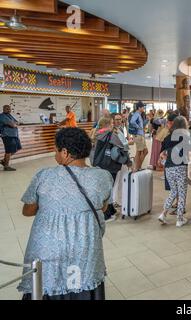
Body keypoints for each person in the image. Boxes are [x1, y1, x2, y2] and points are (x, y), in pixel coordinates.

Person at [19, 127, 113, 300]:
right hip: (85, 247)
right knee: (79, 283)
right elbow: (104, 207)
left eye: (55, 150)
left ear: (65, 152)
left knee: (47, 282)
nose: (55, 154)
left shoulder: (44, 176)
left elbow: (27, 210)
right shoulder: (103, 176)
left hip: (48, 250)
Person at [158, 116, 190, 227]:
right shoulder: (185, 137)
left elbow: (161, 154)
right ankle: (179, 219)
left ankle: (163, 214)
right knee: (182, 193)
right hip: (180, 167)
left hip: (168, 167)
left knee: (173, 191)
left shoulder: (167, 138)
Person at [0, 105, 21, 171]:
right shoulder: (2, 116)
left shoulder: (10, 115)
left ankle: (4, 161)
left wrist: (14, 123)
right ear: (3, 109)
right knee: (9, 151)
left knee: (17, 148)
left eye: (9, 109)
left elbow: (17, 122)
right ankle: (6, 166)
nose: (8, 110)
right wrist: (14, 124)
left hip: (14, 135)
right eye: (7, 109)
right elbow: (13, 125)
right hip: (7, 135)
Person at [130, 101, 148, 171]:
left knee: (145, 151)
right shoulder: (136, 114)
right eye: (143, 107)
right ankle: (137, 167)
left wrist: (146, 120)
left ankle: (138, 165)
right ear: (139, 107)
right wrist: (138, 127)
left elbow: (142, 125)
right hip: (138, 135)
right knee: (139, 151)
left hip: (140, 135)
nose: (143, 108)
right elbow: (132, 121)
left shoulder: (139, 114)